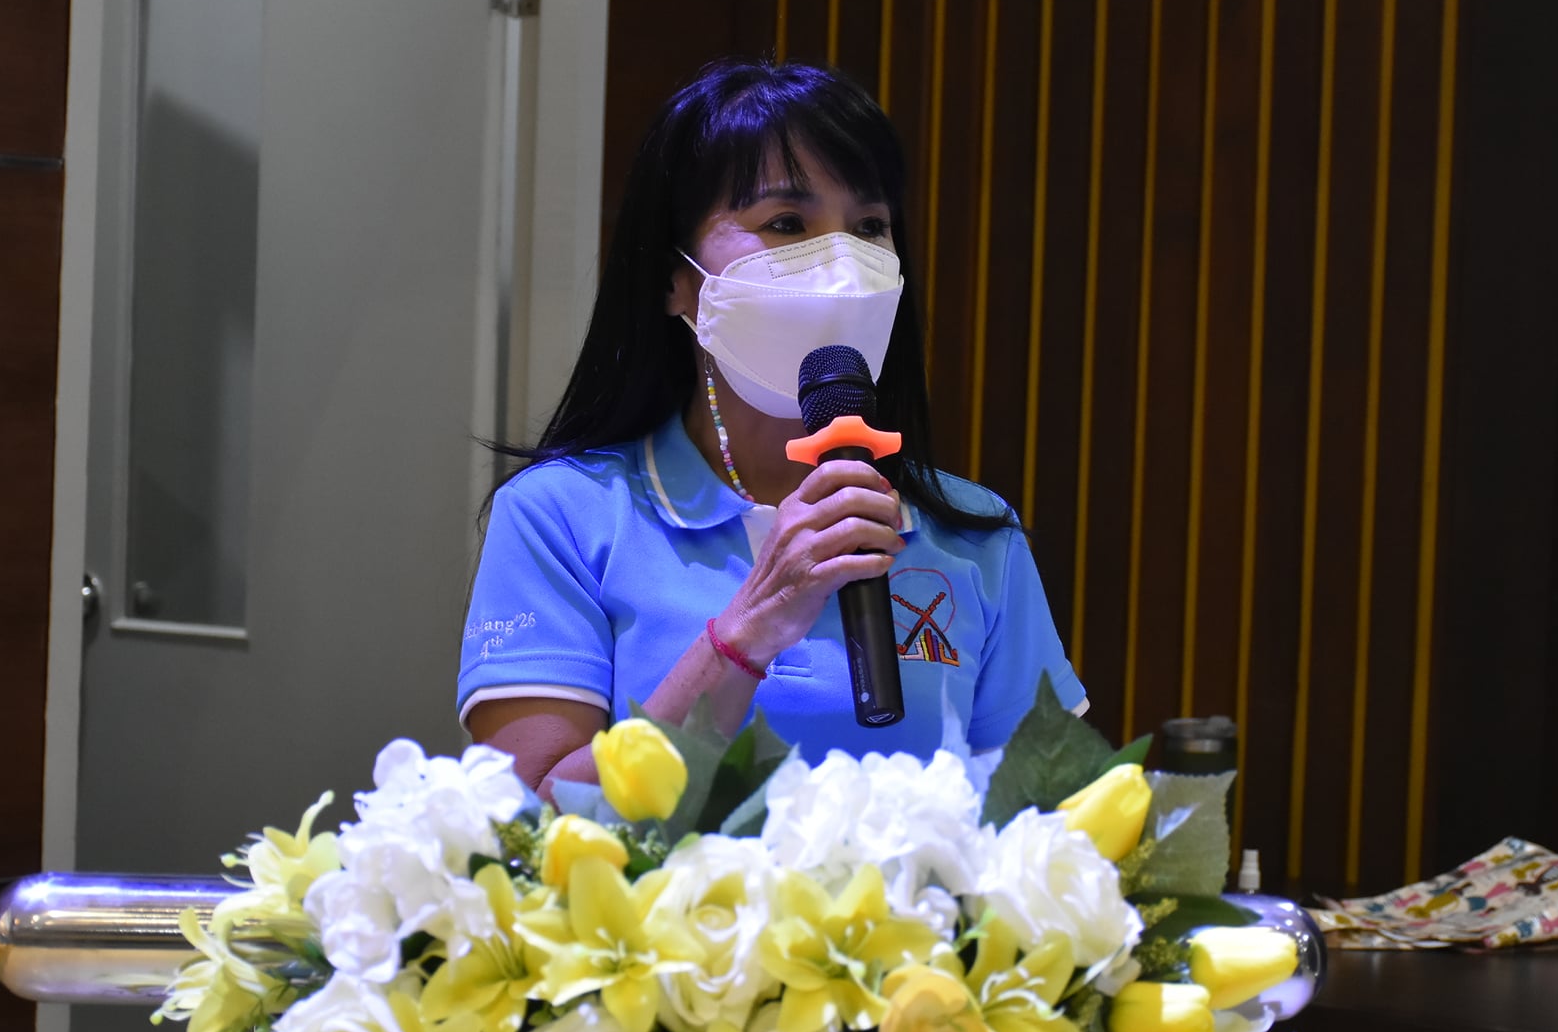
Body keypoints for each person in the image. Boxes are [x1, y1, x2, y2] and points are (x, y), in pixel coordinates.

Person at [457, 58, 1087, 800]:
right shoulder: (561, 516)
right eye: (787, 223)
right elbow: (531, 824)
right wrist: (747, 632)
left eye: (870, 227)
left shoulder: (977, 535)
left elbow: (1058, 823)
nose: (844, 267)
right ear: (675, 280)